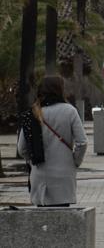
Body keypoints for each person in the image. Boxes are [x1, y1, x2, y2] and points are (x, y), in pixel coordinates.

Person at [17, 76, 87, 207]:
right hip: (64, 176)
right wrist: (74, 161)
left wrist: (33, 161)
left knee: (42, 222)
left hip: (39, 175)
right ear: (60, 90)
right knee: (62, 221)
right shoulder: (69, 111)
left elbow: (22, 148)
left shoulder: (32, 113)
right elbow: (82, 142)